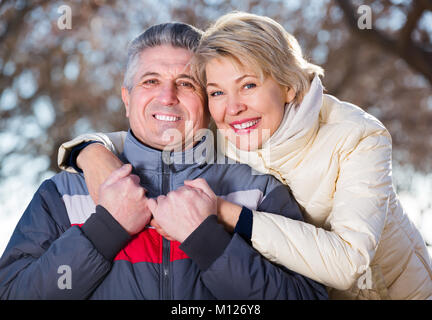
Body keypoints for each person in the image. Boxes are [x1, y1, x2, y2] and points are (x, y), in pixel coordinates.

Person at [59, 12, 432, 300]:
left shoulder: (358, 137)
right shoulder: (229, 135)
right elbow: (155, 129)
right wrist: (90, 151)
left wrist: (223, 212)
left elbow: (349, 263)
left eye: (248, 85)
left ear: (287, 85)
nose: (233, 108)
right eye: (217, 92)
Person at [0, 22, 328, 300]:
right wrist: (104, 230)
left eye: (186, 84)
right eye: (151, 81)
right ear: (127, 99)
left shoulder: (261, 191)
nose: (167, 96)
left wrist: (208, 241)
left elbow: (310, 295)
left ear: (209, 101)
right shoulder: (62, 193)